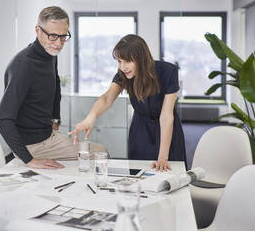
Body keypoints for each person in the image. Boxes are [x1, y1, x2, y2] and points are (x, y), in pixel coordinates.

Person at [0, 6, 107, 170]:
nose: (59, 43)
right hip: (32, 146)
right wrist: (29, 160)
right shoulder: (23, 65)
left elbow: (55, 89)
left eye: (63, 37)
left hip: (48, 135)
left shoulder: (49, 55)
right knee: (102, 153)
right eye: (53, 36)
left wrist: (55, 120)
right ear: (37, 30)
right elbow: (2, 120)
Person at [69, 34, 186, 171]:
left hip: (167, 131)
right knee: (139, 175)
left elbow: (166, 116)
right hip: (140, 130)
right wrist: (90, 118)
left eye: (128, 61)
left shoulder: (167, 71)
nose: (123, 67)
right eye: (119, 61)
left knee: (170, 174)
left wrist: (163, 157)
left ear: (141, 59)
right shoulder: (124, 74)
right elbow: (107, 98)